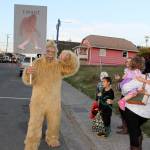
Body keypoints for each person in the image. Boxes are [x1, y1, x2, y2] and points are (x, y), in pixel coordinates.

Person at [22, 40, 80, 150]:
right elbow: (28, 81)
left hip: (54, 102)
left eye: (53, 52)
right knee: (34, 124)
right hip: (37, 101)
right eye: (48, 51)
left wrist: (69, 56)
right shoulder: (36, 63)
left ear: (56, 53)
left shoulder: (59, 65)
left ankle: (52, 138)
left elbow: (72, 68)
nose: (50, 54)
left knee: (54, 123)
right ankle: (31, 144)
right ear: (43, 51)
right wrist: (27, 73)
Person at [125, 69, 150, 150]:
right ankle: (139, 146)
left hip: (133, 110)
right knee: (136, 129)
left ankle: (136, 147)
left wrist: (136, 90)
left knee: (133, 134)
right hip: (147, 114)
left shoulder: (142, 77)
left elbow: (125, 88)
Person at [115, 57, 132, 134]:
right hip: (124, 92)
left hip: (129, 93)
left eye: (129, 61)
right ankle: (124, 125)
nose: (127, 63)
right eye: (126, 61)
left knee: (124, 110)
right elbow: (123, 80)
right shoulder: (127, 70)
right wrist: (118, 79)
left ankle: (126, 129)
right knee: (121, 109)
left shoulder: (134, 71)